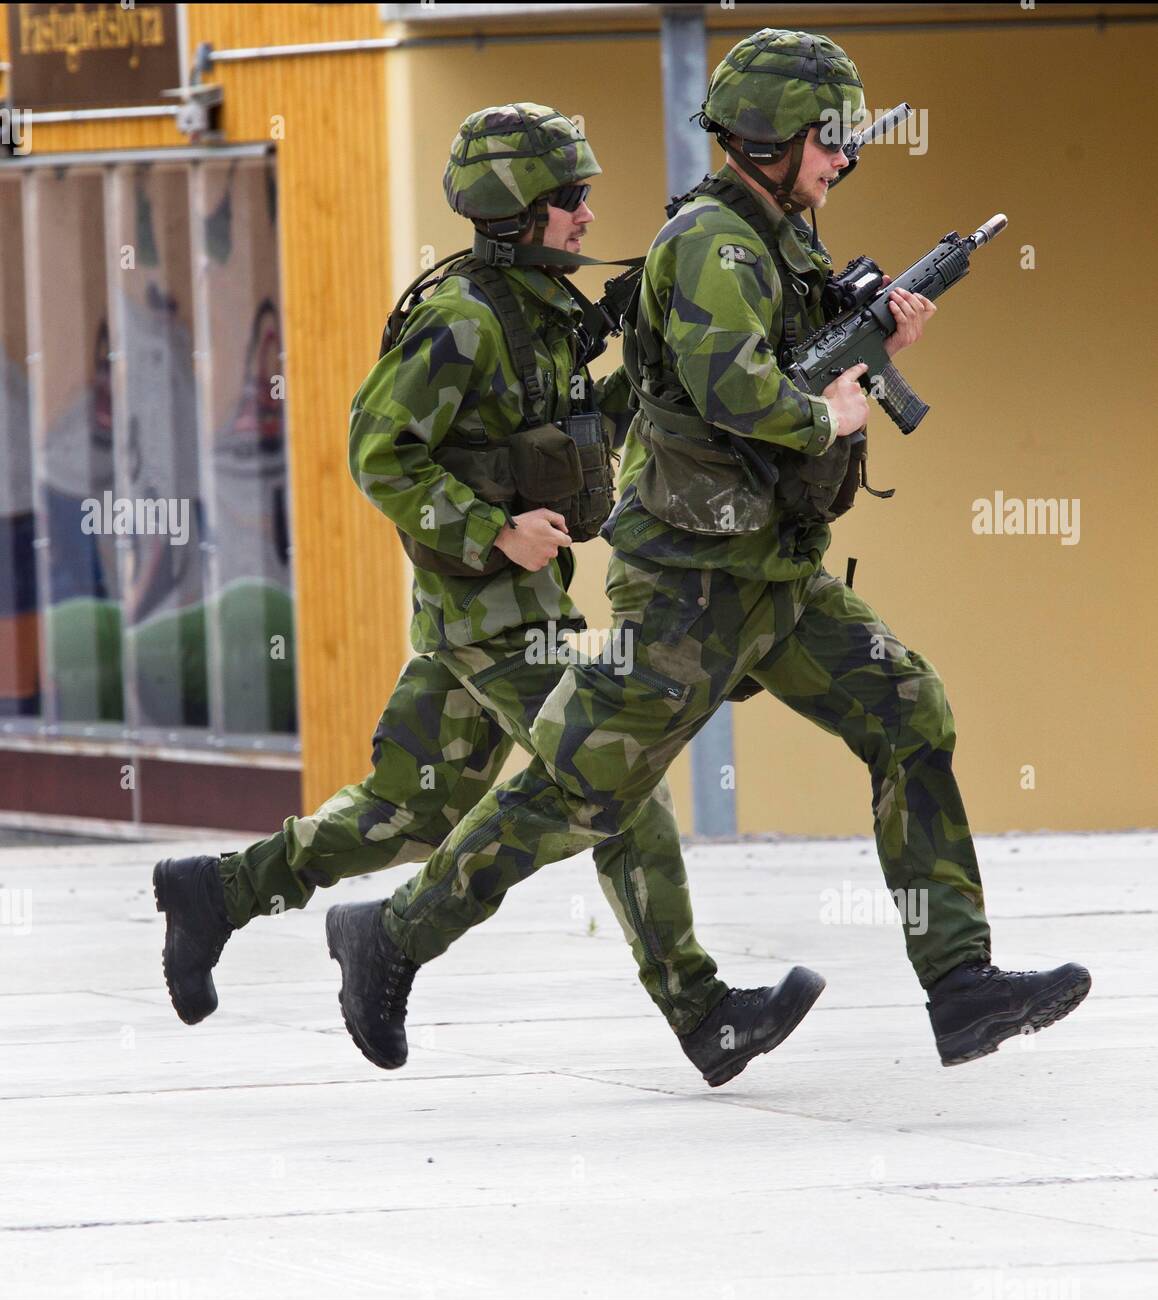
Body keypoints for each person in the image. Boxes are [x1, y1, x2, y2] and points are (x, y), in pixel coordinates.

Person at [324, 34, 1090, 1076]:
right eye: (830, 139)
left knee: (912, 712)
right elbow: (735, 387)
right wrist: (831, 418)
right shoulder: (715, 245)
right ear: (773, 138)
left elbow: (788, 358)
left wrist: (878, 340)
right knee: (576, 793)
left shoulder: (783, 238)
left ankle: (959, 984)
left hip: (772, 574)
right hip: (689, 586)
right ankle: (391, 937)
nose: (844, 158)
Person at [154, 102, 824, 1090]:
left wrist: (661, 368)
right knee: (618, 787)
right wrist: (491, 529)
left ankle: (215, 893)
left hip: (490, 614)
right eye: (570, 200)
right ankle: (702, 1009)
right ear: (517, 209)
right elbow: (378, 453)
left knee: (406, 812)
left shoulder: (541, 312)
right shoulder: (462, 321)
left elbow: (569, 431)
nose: (588, 215)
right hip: (493, 613)